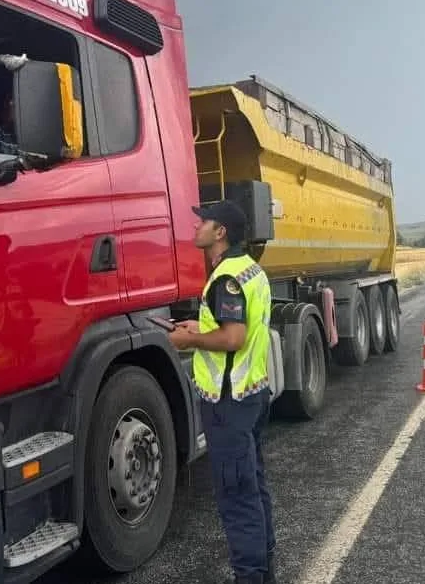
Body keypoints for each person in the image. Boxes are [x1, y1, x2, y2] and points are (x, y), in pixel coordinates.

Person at [168, 199, 277, 584]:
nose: (196, 226)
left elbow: (233, 337)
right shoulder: (251, 270)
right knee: (253, 486)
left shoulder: (225, 279)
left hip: (228, 402)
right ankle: (265, 570)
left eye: (204, 222)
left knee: (237, 496)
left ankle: (250, 576)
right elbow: (240, 328)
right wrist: (199, 328)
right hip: (253, 394)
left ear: (221, 232)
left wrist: (188, 341)